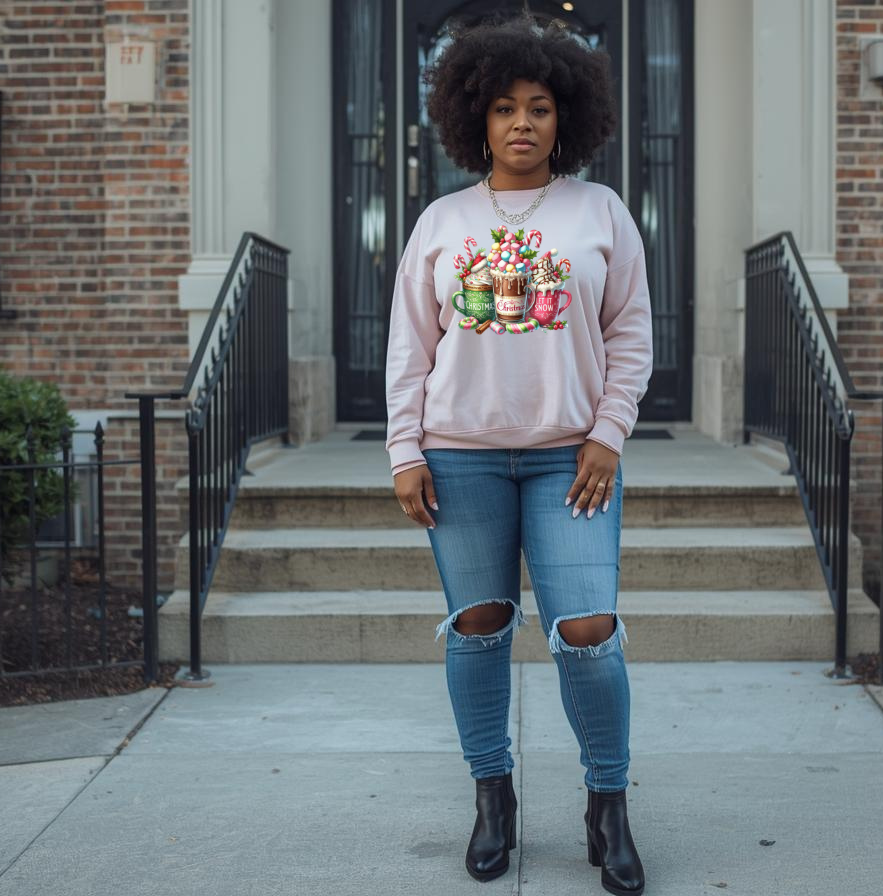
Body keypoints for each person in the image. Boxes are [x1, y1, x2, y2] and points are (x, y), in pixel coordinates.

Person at [384, 14, 652, 895]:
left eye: (539, 107)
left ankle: (607, 805)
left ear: (566, 116)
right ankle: (492, 799)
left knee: (587, 630)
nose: (523, 124)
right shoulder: (439, 221)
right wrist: (404, 450)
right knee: (479, 629)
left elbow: (631, 336)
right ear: (477, 121)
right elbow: (409, 350)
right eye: (504, 109)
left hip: (568, 460)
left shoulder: (600, 211)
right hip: (458, 457)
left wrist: (609, 434)